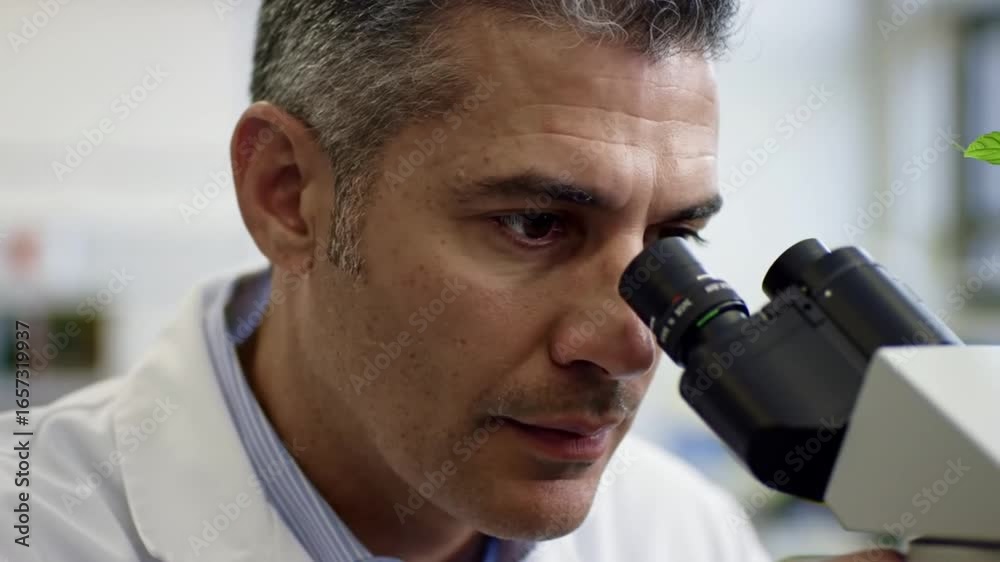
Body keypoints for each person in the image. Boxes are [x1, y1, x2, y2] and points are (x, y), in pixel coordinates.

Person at [1, 1, 907, 561]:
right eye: (535, 223)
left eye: (674, 238)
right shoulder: (39, 527)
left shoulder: (684, 532)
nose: (633, 343)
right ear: (287, 195)